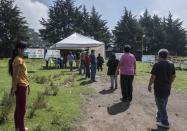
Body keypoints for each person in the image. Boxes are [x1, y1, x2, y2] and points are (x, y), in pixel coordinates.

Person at [148, 49, 176, 129]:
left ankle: (165, 122)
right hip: (167, 88)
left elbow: (153, 77)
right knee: (164, 102)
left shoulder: (157, 64)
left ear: (159, 55)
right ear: (167, 56)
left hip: (159, 88)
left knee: (160, 104)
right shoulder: (171, 64)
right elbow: (174, 76)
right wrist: (169, 83)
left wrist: (149, 85)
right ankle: (159, 115)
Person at [8, 41, 30, 131]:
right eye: (25, 49)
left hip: (23, 85)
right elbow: (15, 76)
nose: (26, 50)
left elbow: (23, 74)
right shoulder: (18, 60)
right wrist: (13, 89)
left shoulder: (20, 58)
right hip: (21, 87)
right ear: (19, 49)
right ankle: (21, 129)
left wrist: (28, 85)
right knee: (22, 110)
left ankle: (18, 128)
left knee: (19, 109)